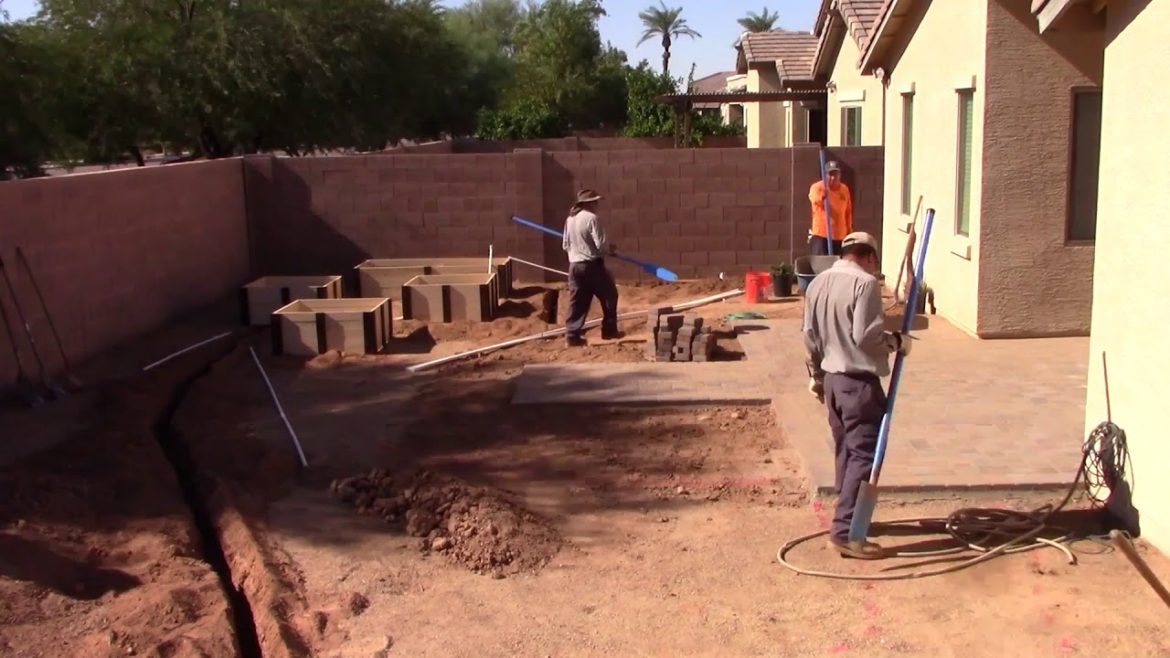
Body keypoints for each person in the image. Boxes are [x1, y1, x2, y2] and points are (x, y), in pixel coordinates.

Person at [801, 232, 911, 559]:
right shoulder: (865, 284)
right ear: (869, 257)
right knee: (864, 454)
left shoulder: (818, 283)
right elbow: (865, 336)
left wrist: (816, 377)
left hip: (832, 380)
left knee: (846, 453)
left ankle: (845, 514)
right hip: (858, 383)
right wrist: (895, 342)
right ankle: (846, 532)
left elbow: (809, 335)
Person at [562, 188, 621, 347]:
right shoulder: (592, 219)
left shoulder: (570, 219)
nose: (597, 204)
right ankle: (609, 331)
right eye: (595, 201)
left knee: (578, 301)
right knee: (609, 295)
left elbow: (565, 245)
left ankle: (572, 336)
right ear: (589, 203)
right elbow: (601, 246)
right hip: (591, 265)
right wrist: (610, 251)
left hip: (574, 266)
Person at [807, 160, 854, 256]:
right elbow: (816, 200)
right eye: (830, 174)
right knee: (822, 266)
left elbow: (848, 212)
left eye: (835, 174)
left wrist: (849, 232)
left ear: (839, 175)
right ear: (825, 175)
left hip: (840, 236)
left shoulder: (844, 189)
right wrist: (824, 195)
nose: (833, 178)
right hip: (822, 235)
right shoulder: (817, 187)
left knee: (838, 267)